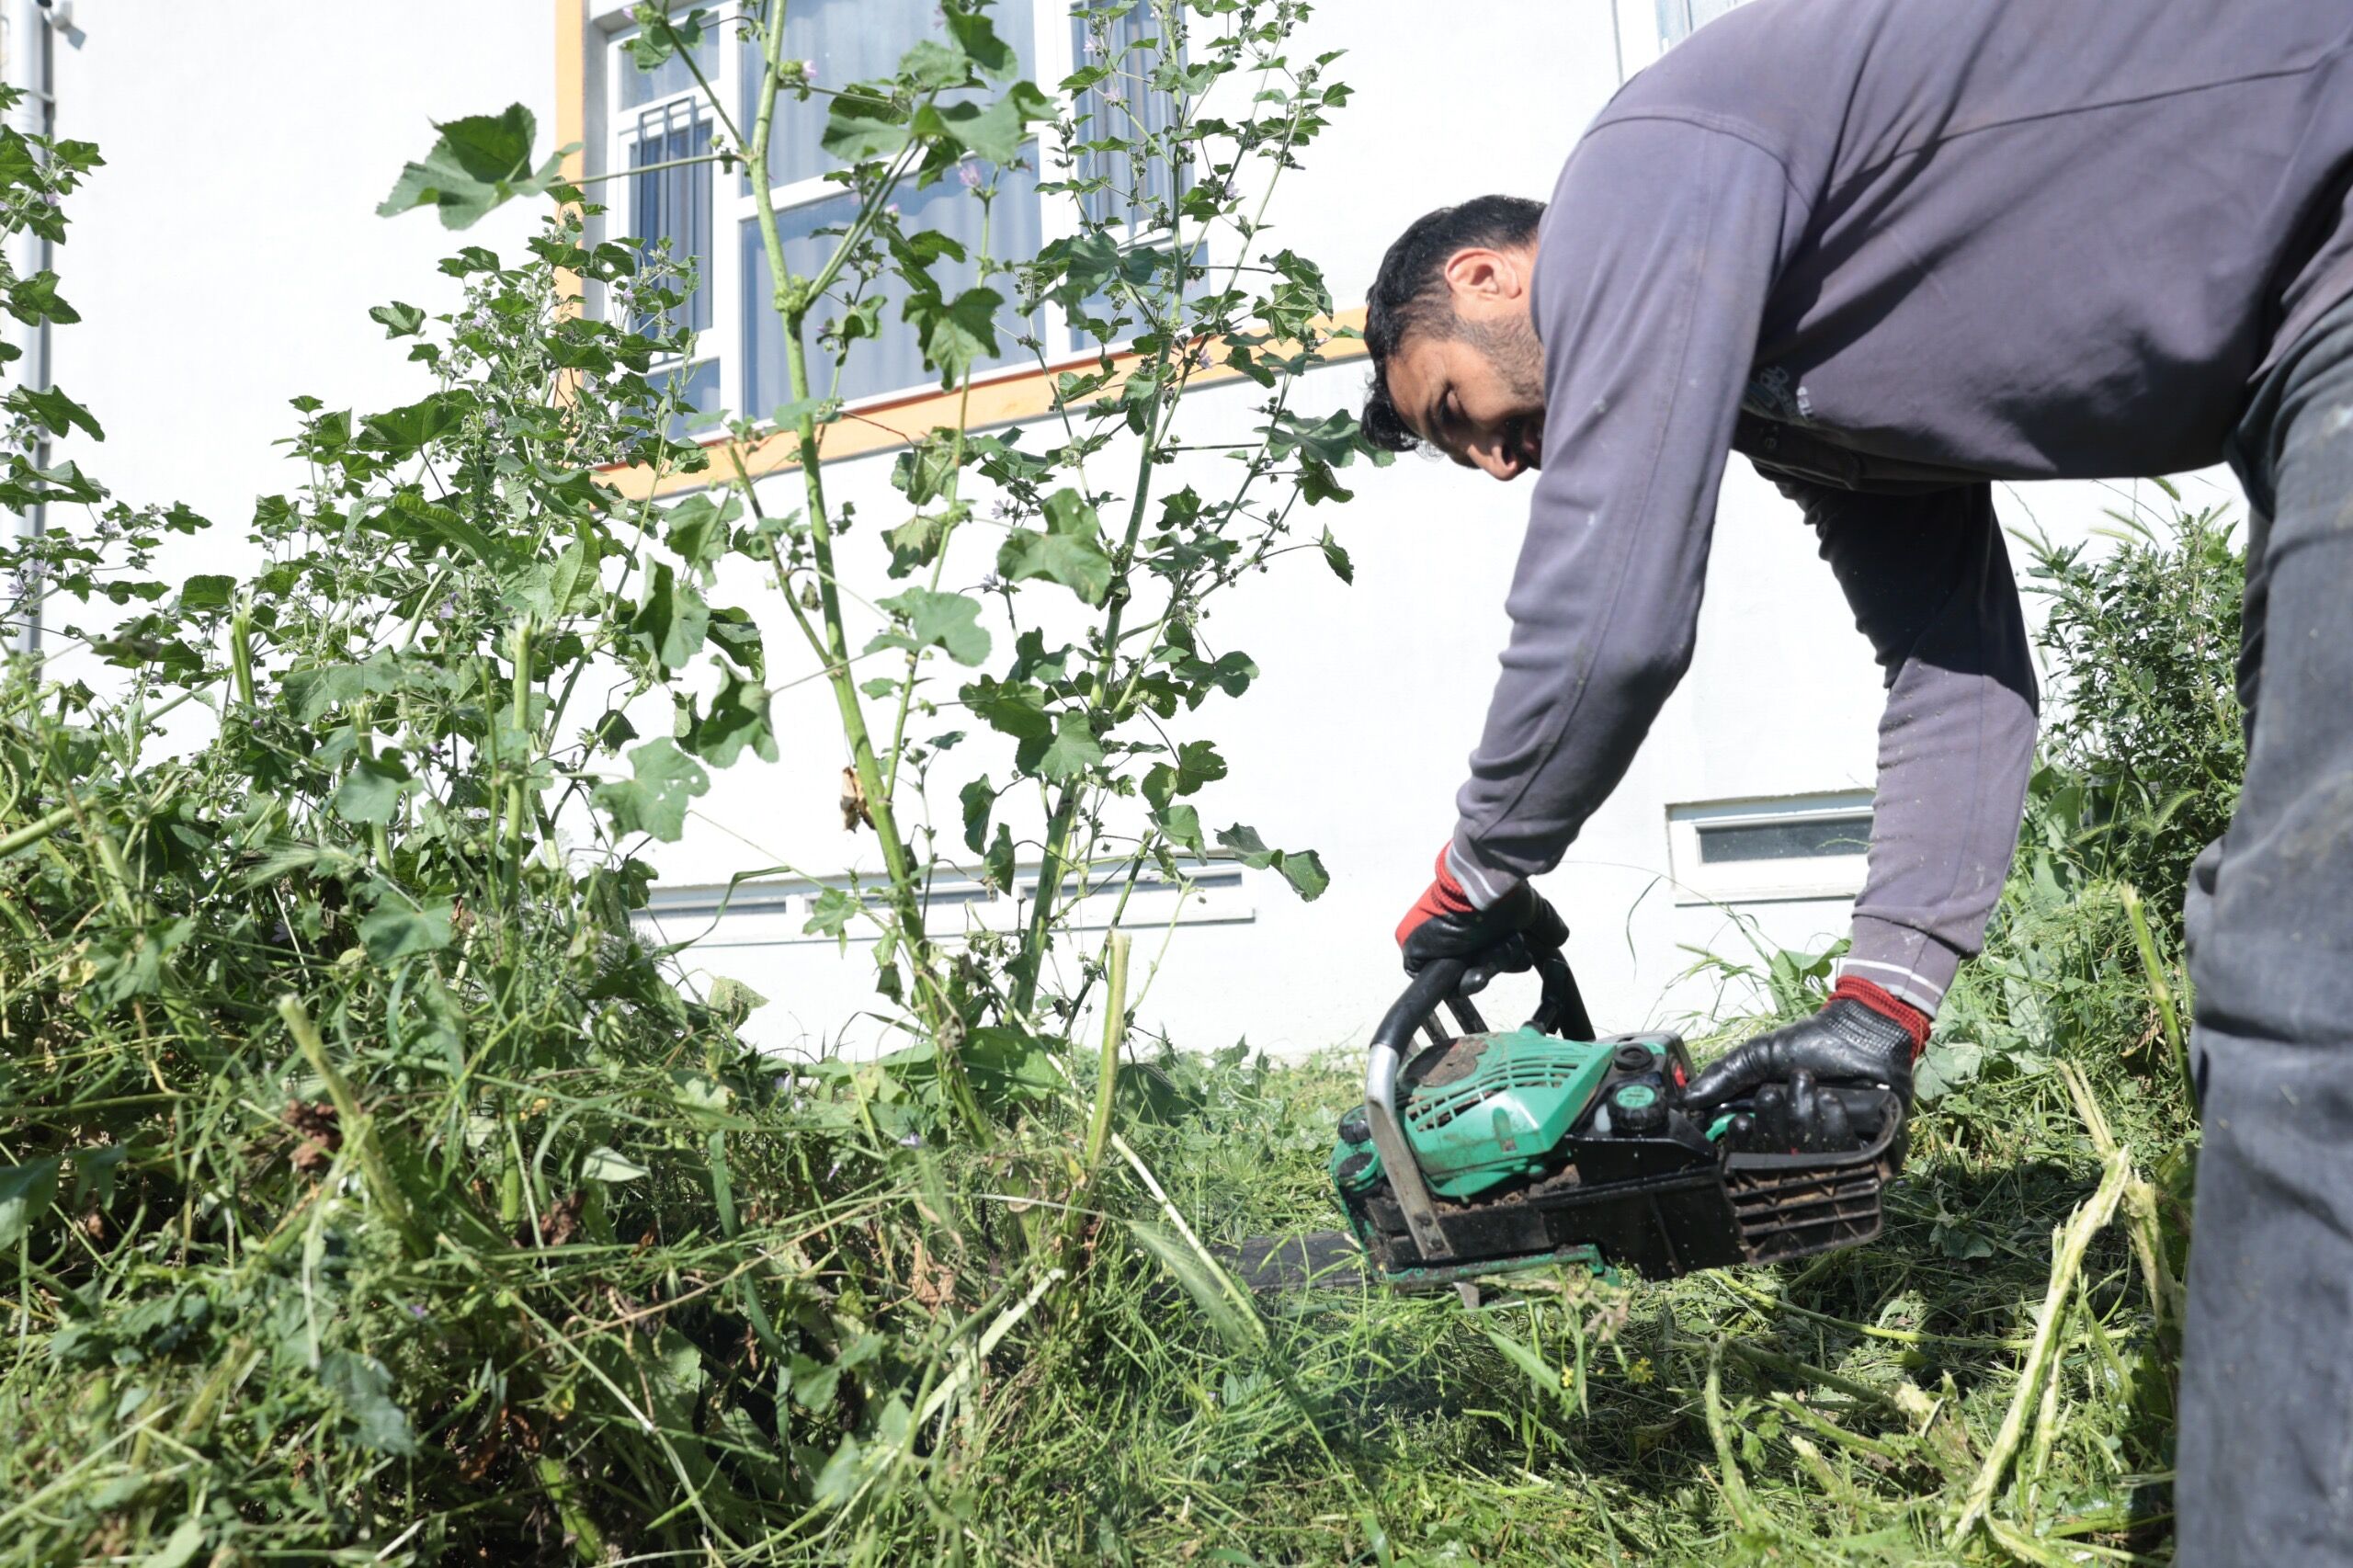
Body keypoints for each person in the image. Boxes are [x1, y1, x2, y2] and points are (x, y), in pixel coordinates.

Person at [1369, 1, 2353, 1558]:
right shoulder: (1808, 384)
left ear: (1488, 276)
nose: (1497, 465)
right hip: (2300, 370)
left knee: (2308, 977)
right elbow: (1953, 667)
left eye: (1453, 411)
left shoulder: (1640, 165)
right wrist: (1879, 1008)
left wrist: (1483, 867)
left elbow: (1615, 612)